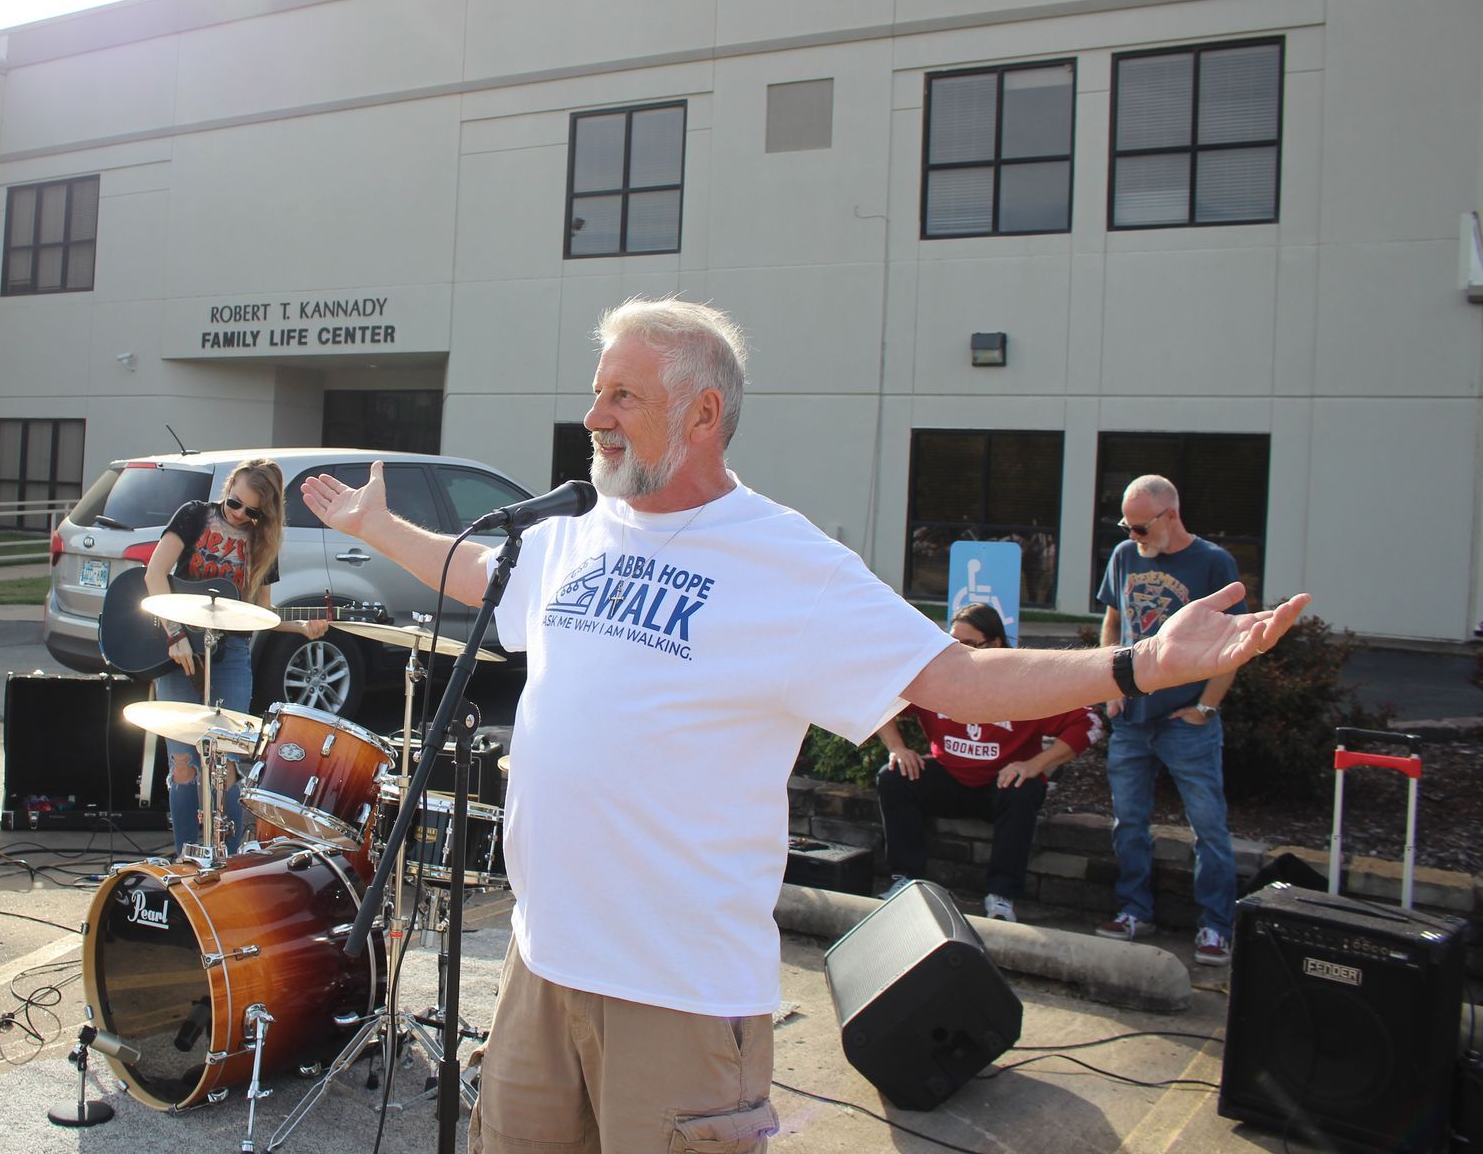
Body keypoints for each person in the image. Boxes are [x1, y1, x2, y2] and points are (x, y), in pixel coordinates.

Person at [303, 296, 1307, 1153]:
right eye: (598, 389)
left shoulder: (785, 560)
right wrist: (371, 525)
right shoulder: (570, 534)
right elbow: (477, 573)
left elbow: (954, 674)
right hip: (540, 968)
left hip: (679, 999)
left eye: (622, 395)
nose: (592, 414)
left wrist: (1138, 663)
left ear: (703, 413)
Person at [1094, 474, 1246, 965]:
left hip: (1186, 721)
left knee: (1208, 825)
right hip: (1132, 716)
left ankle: (1216, 926)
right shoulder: (1123, 557)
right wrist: (1107, 682)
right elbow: (1114, 621)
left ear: (1171, 515)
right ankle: (1134, 910)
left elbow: (1233, 646)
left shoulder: (1213, 562)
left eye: (1141, 527)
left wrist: (1205, 708)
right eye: (1127, 526)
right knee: (1129, 823)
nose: (1133, 537)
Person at [874, 603, 1106, 923]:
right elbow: (879, 699)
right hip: (950, 777)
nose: (958, 652)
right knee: (894, 777)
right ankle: (906, 881)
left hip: (1002, 783)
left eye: (969, 645)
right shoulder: (936, 676)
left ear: (995, 644)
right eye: (951, 642)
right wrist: (897, 747)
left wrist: (1036, 765)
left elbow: (1089, 723)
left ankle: (1002, 896)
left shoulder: (1025, 682)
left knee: (1023, 789)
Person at [144, 457, 327, 852]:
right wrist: (174, 634)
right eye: (234, 503)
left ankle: (225, 858)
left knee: (227, 761)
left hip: (230, 652)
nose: (240, 514)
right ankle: (185, 856)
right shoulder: (194, 516)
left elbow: (262, 613)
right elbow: (154, 574)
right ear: (226, 490)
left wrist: (301, 627)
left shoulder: (263, 544)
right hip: (179, 649)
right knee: (183, 763)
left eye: (252, 511)